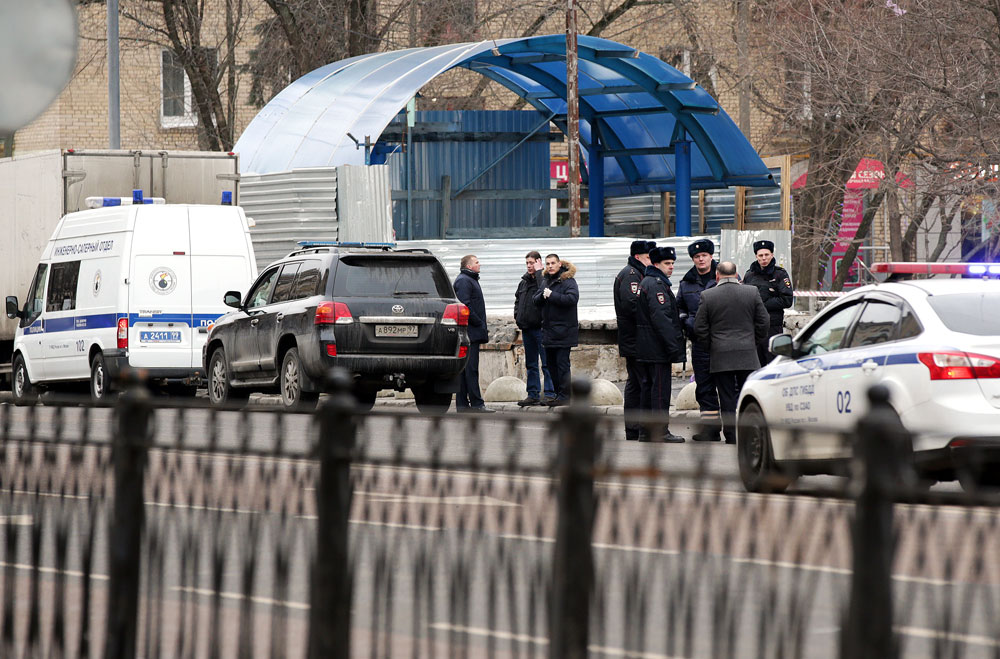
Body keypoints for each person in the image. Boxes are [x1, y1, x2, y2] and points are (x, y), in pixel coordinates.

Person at [693, 261, 769, 444]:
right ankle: (749, 433)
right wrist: (753, 341)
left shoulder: (708, 295)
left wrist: (712, 346)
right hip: (747, 354)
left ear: (717, 276)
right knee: (748, 395)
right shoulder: (751, 292)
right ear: (737, 274)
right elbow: (764, 321)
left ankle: (731, 435)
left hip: (721, 355)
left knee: (726, 396)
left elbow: (699, 327)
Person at [635, 246, 686, 442]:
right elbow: (662, 319)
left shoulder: (648, 282)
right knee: (659, 390)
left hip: (647, 346)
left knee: (648, 388)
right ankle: (659, 431)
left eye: (673, 263)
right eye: (667, 263)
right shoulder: (656, 284)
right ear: (656, 264)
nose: (671, 267)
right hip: (657, 348)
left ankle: (645, 431)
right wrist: (674, 347)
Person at [676, 239, 722, 441]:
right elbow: (679, 310)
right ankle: (710, 430)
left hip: (723, 341)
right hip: (700, 343)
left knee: (730, 387)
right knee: (704, 387)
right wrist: (688, 324)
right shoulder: (686, 283)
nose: (700, 259)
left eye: (704, 255)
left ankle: (733, 430)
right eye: (696, 257)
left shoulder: (725, 277)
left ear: (711, 257)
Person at [614, 239, 655, 439]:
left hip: (635, 338)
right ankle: (636, 427)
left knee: (636, 383)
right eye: (649, 257)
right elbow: (633, 304)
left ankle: (634, 427)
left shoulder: (638, 273)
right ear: (638, 257)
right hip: (635, 338)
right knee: (641, 382)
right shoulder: (631, 275)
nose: (652, 260)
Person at [533, 253, 579, 407]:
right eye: (548, 264)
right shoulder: (546, 280)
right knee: (550, 365)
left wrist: (552, 295)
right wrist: (543, 297)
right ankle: (559, 394)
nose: (550, 266)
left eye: (553, 263)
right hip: (549, 331)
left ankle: (565, 396)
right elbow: (536, 299)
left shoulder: (568, 281)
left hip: (564, 331)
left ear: (559, 264)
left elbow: (572, 299)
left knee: (562, 365)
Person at [742, 240, 794, 368]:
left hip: (772, 327)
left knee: (773, 365)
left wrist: (762, 303)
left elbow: (787, 300)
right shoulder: (749, 275)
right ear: (756, 256)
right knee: (755, 365)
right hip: (753, 327)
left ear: (772, 254)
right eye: (760, 255)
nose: (764, 258)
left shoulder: (780, 274)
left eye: (766, 254)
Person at [453, 255, 494, 413]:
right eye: (477, 262)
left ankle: (463, 405)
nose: (480, 264)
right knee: (470, 369)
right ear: (469, 266)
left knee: (465, 370)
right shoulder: (464, 280)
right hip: (470, 332)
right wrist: (478, 322)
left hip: (470, 332)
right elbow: (465, 305)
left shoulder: (469, 279)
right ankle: (477, 404)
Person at [514, 250, 555, 406]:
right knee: (531, 364)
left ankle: (550, 393)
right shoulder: (523, 282)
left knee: (546, 363)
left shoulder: (544, 279)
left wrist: (539, 272)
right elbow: (517, 300)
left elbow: (543, 290)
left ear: (539, 262)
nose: (529, 266)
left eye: (532, 263)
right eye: (527, 263)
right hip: (527, 328)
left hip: (541, 328)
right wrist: (517, 316)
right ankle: (533, 394)